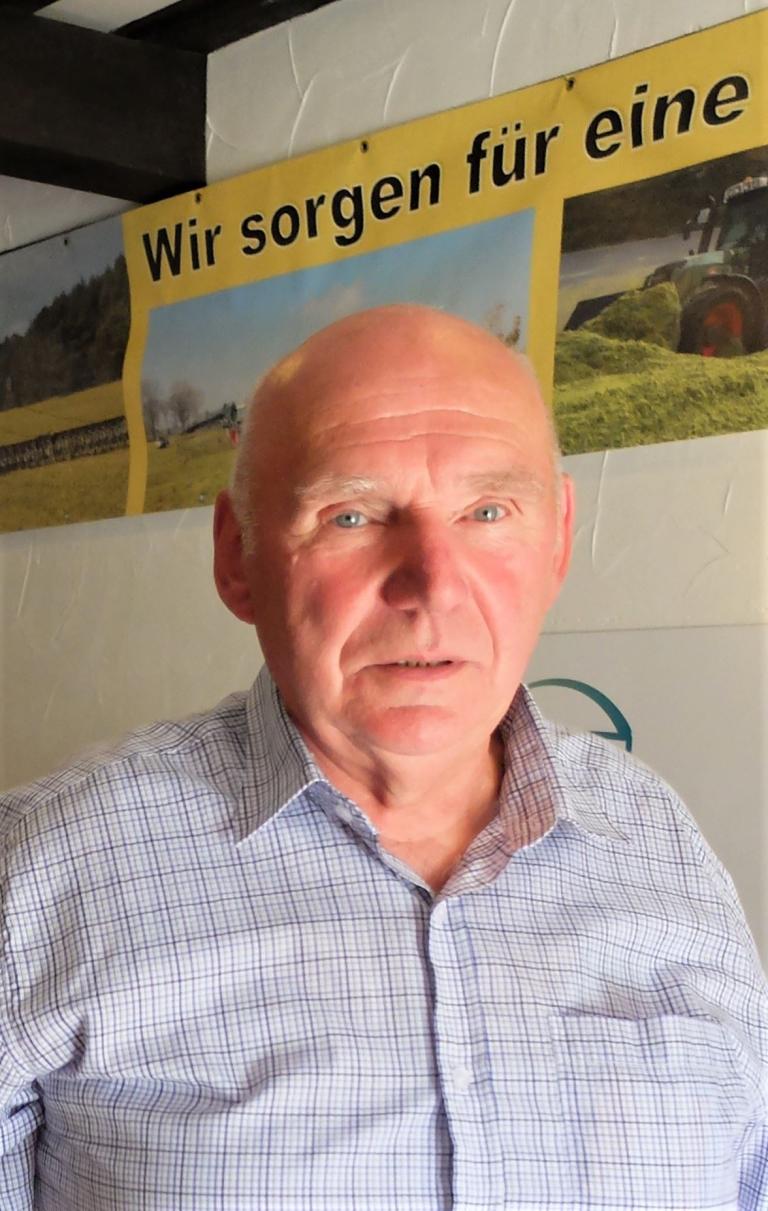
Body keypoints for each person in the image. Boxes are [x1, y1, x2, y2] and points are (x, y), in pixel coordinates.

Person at [0, 304, 766, 1210]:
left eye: (487, 510)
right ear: (238, 556)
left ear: (558, 539)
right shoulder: (43, 873)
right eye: (354, 514)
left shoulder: (661, 844)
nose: (432, 584)